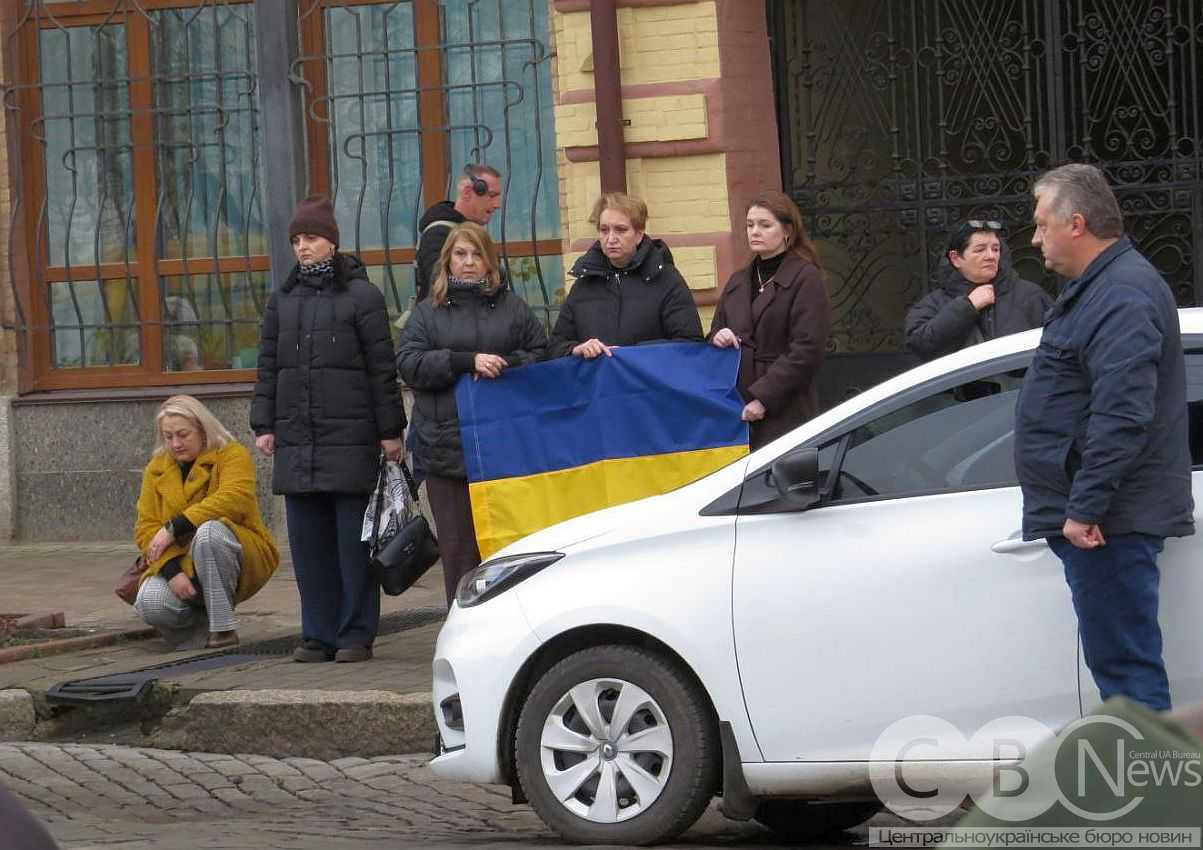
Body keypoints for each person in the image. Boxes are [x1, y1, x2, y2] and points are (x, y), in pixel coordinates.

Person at [1015, 163, 1194, 711]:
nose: (1035, 239)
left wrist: (1085, 507)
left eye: (1042, 224)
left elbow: (1122, 413)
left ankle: (1154, 770)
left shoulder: (1121, 295)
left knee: (1127, 675)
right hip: (1105, 516)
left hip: (1109, 521)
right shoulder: (1102, 289)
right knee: (1121, 669)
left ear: (1076, 224)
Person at [251, 195, 405, 663]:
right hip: (298, 442)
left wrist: (390, 431)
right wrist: (264, 423)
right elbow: (268, 368)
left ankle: (355, 634)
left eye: (311, 238)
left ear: (332, 243)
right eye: (296, 239)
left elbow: (382, 370)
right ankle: (317, 634)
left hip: (350, 441)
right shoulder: (282, 301)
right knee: (309, 547)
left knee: (352, 546)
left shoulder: (363, 297)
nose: (302, 247)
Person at [396, 222, 546, 606]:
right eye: (460, 254)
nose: (468, 262)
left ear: (489, 261)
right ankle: (463, 627)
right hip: (445, 451)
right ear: (447, 260)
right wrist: (465, 361)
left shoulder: (513, 308)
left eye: (477, 254)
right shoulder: (429, 312)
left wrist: (507, 365)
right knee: (459, 552)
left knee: (507, 549)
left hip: (504, 449)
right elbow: (409, 363)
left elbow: (542, 354)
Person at [134, 395, 279, 650]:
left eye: (183, 435)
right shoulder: (155, 468)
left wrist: (175, 527)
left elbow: (235, 498)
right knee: (149, 601)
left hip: (238, 550)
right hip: (182, 561)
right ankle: (201, 630)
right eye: (168, 437)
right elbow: (145, 528)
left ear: (203, 429)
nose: (175, 444)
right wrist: (171, 571)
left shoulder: (232, 454)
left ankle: (223, 628)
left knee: (209, 533)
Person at [708, 191, 831, 450]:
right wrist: (718, 336)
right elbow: (715, 330)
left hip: (785, 404)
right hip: (736, 405)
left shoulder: (805, 277)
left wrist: (764, 397)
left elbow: (807, 349)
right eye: (750, 225)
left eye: (765, 225)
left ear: (787, 231)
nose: (755, 232)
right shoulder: (739, 280)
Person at [548, 192, 703, 359]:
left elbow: (690, 343)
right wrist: (576, 349)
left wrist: (630, 354)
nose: (611, 239)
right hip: (597, 376)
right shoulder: (584, 285)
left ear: (639, 234)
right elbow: (555, 347)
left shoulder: (666, 279)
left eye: (620, 230)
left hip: (646, 375)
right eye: (604, 230)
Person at [905, 219, 1052, 361]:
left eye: (995, 249)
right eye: (980, 250)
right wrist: (967, 306)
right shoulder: (935, 303)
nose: (991, 256)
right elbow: (919, 345)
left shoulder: (1030, 295)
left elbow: (1057, 344)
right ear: (956, 258)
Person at [413, 164, 502, 304]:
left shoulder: (474, 232)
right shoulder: (437, 234)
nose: (497, 204)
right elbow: (440, 288)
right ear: (467, 193)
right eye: (491, 196)